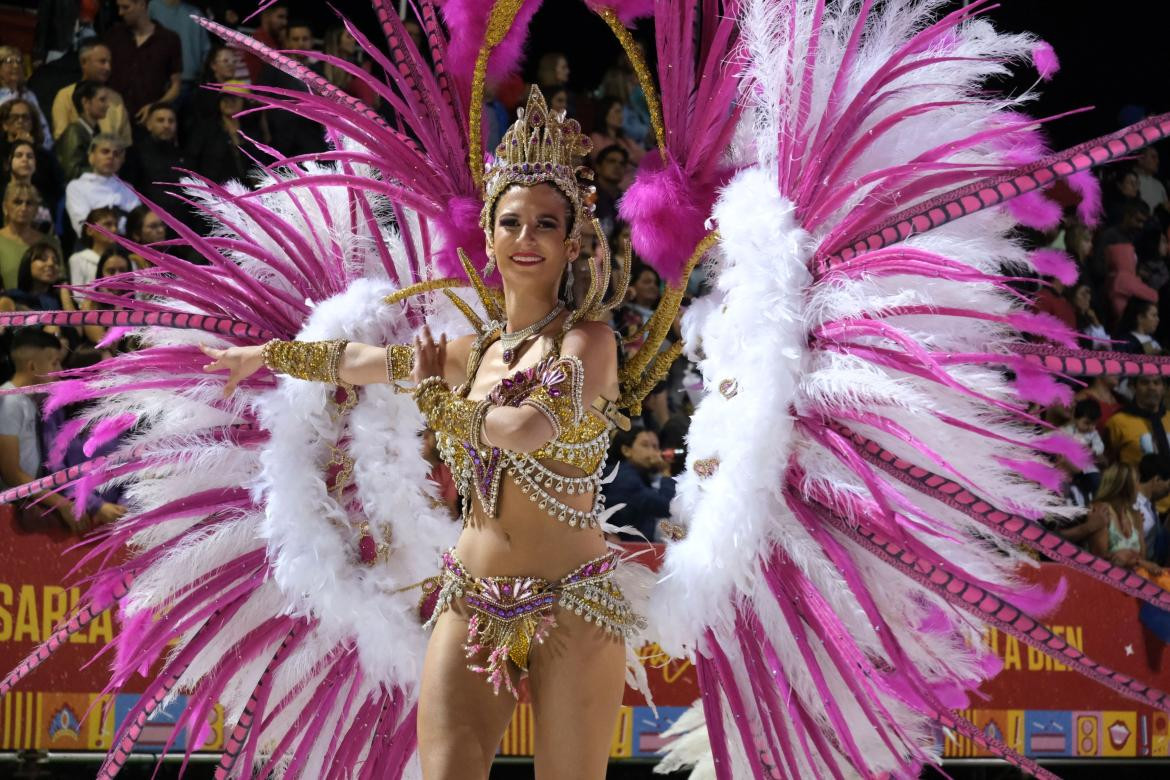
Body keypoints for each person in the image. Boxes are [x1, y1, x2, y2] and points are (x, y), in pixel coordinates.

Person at [202, 88, 641, 777]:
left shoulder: (589, 345)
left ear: (572, 242)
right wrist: (271, 355)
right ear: (490, 236)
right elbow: (360, 362)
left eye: (545, 225)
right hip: (472, 596)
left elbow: (522, 429)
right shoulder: (471, 352)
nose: (526, 240)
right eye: (513, 223)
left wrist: (439, 402)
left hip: (575, 603)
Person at [0, 328, 75, 530]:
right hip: (9, 509)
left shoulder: (28, 399)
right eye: (54, 363)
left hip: (22, 502)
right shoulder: (10, 402)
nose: (59, 371)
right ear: (32, 366)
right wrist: (59, 502)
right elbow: (11, 473)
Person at [104, 0, 182, 123]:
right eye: (119, 7)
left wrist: (155, 106)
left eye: (125, 7)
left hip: (147, 119)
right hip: (113, 116)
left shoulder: (169, 40)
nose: (120, 13)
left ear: (141, 5)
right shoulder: (114, 35)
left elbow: (176, 85)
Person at [257, 19, 326, 158]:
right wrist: (266, 135)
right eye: (295, 39)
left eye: (305, 39)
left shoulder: (318, 71)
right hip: (281, 141)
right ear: (287, 41)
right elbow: (261, 102)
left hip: (311, 142)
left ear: (312, 41)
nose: (300, 43)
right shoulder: (273, 67)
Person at [50, 39, 132, 146]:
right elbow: (62, 139)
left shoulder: (116, 99)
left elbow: (126, 142)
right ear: (84, 62)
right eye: (102, 62)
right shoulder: (65, 96)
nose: (108, 68)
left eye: (109, 63)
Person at [602, 425, 676, 541]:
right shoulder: (625, 478)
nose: (654, 452)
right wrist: (665, 472)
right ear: (626, 450)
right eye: (645, 445)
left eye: (655, 447)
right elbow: (668, 506)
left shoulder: (629, 474)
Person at [1088, 463, 1163, 575]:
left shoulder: (1133, 514)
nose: (1139, 487)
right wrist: (1136, 560)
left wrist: (1131, 557)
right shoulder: (1101, 510)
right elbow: (1099, 558)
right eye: (1136, 482)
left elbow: (1143, 556)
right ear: (1125, 487)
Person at [64, 133, 140, 235]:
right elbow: (84, 227)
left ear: (122, 161)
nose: (111, 156)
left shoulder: (128, 189)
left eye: (116, 154)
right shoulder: (77, 187)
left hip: (129, 247)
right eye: (105, 152)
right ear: (91, 156)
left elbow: (139, 224)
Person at [123, 102, 185, 211]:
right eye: (160, 120)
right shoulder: (135, 152)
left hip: (180, 220)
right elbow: (128, 189)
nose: (166, 125)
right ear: (149, 125)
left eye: (171, 121)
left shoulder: (182, 154)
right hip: (147, 218)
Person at [148, 0, 210, 106]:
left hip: (191, 81)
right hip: (158, 81)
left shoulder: (195, 12)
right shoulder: (151, 8)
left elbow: (206, 49)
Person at [0, 181, 61, 289]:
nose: (23, 208)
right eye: (17, 202)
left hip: (45, 304)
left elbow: (61, 282)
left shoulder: (51, 242)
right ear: (5, 207)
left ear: (36, 209)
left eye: (29, 203)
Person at [184, 92, 253, 186]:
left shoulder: (251, 131)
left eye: (233, 99)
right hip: (214, 189)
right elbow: (192, 159)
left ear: (243, 102)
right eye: (224, 99)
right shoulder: (205, 129)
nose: (229, 102)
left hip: (245, 190)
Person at [1106, 374, 1170, 467]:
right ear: (1134, 387)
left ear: (1164, 389)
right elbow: (1107, 461)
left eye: (1156, 383)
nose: (1151, 387)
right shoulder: (1117, 421)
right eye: (1144, 383)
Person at [55, 80, 110, 180]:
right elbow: (72, 171)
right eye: (102, 100)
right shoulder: (74, 132)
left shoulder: (95, 131)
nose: (107, 105)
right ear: (85, 102)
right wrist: (103, 169)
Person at [0, 46, 52, 150]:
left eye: (19, 61)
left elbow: (43, 130)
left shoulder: (29, 95)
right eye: (9, 61)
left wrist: (36, 146)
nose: (15, 66)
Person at [79, 246, 133, 346]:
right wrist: (117, 304)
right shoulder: (90, 302)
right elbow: (105, 343)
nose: (117, 276)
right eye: (111, 271)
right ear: (101, 274)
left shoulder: (136, 301)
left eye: (122, 270)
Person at [0, 140, 57, 233]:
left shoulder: (44, 195)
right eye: (19, 155)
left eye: (30, 156)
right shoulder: (2, 193)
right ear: (8, 162)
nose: (25, 160)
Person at [67, 205, 119, 287]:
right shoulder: (78, 259)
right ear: (90, 230)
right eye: (108, 224)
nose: (114, 229)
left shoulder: (125, 259)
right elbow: (78, 295)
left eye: (116, 225)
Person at [240, 1, 287, 82]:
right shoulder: (257, 41)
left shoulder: (276, 40)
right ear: (266, 16)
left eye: (285, 18)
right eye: (280, 17)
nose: (284, 22)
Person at [124, 203, 165, 268]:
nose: (161, 230)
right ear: (136, 234)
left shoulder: (169, 258)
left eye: (162, 224)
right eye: (153, 226)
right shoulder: (128, 264)